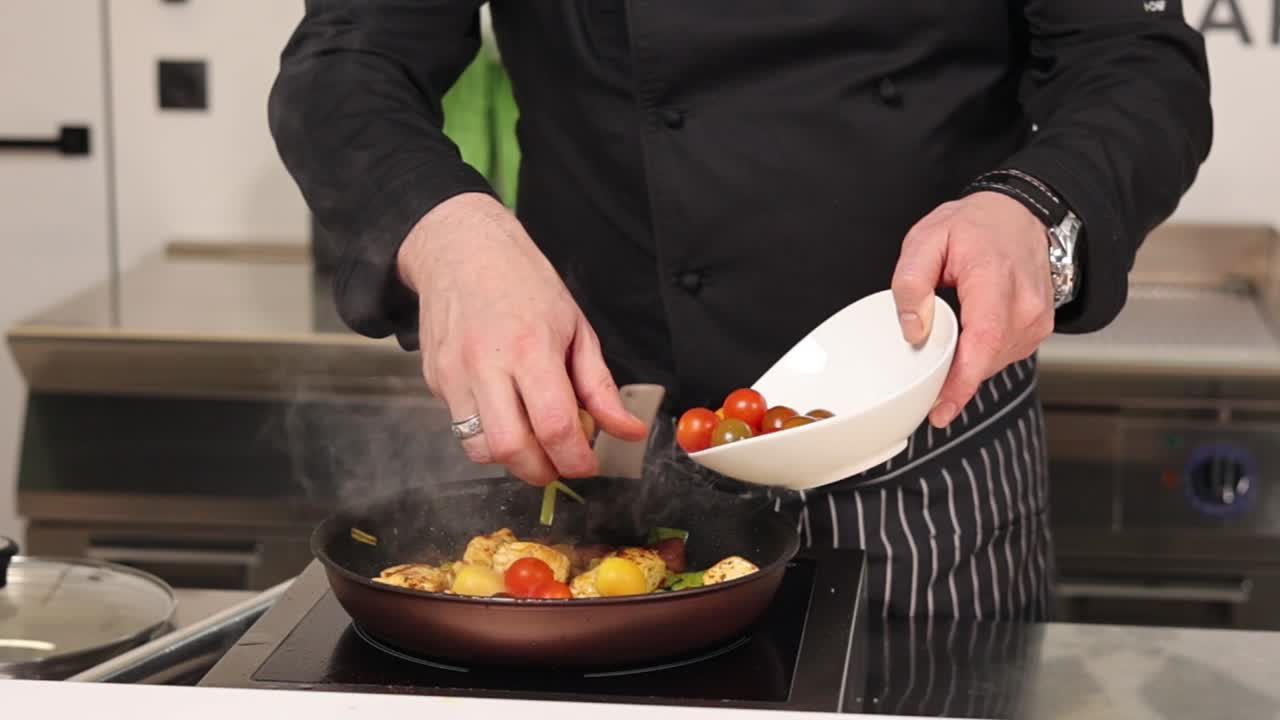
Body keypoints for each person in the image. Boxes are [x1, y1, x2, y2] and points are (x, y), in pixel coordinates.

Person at [269, 1, 1212, 619]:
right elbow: (345, 62)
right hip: (613, 433)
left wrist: (1038, 206)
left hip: (934, 450)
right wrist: (447, 233)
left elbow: (1140, 62)